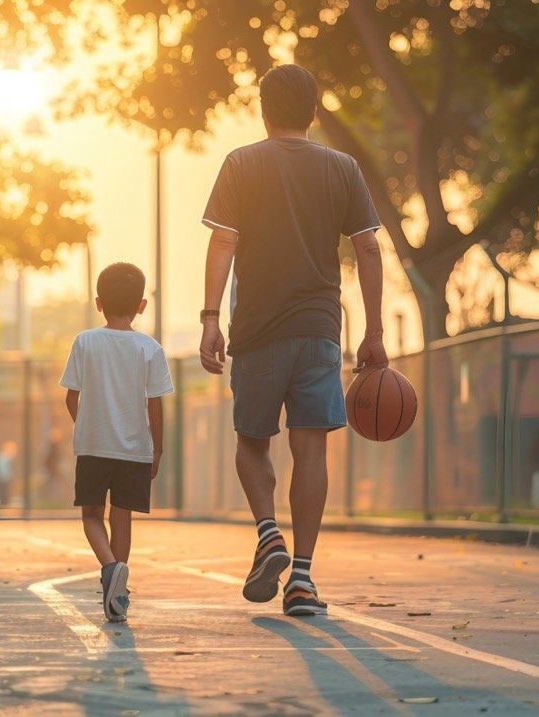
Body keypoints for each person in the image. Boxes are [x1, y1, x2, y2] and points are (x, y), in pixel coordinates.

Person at [199, 63, 388, 617]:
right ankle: (302, 580)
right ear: (313, 111)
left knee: (251, 442)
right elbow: (370, 248)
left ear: (263, 109)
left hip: (257, 331)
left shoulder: (241, 163)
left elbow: (222, 245)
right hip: (319, 330)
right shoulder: (342, 167)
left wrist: (211, 318)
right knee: (311, 447)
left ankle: (268, 535)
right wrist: (374, 333)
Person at [61, 262, 174, 623]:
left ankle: (110, 569)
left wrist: (90, 425)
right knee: (121, 517)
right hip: (134, 448)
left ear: (98, 302)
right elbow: (154, 404)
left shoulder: (85, 341)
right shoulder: (150, 348)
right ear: (142, 304)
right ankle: (119, 591)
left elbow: (70, 398)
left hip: (93, 447)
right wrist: (157, 448)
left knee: (92, 515)